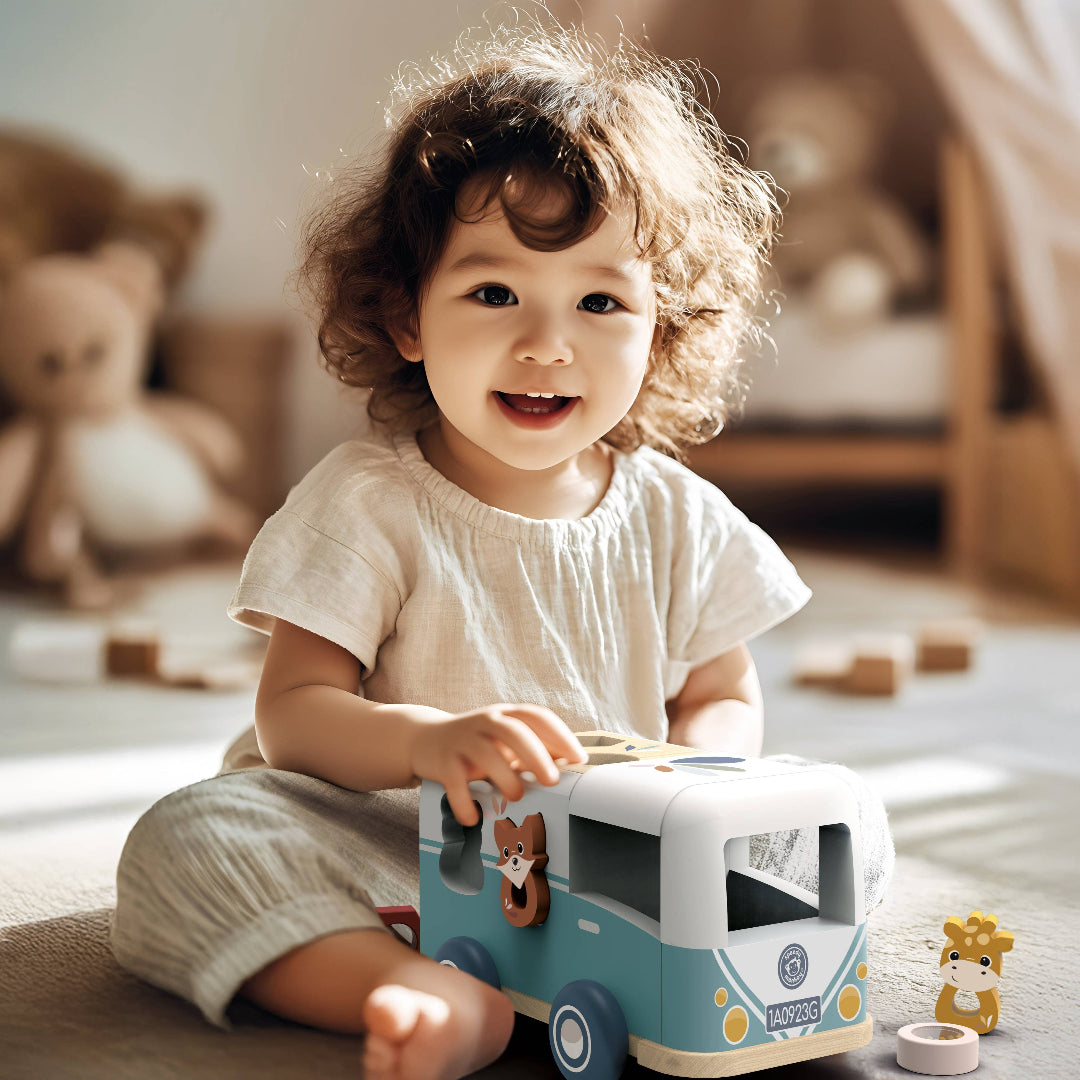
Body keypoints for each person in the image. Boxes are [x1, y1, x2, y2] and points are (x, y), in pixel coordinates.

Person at [111, 15, 893, 1080]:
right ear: (405, 317)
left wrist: (708, 781)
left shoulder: (675, 512)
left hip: (614, 863)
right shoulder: (369, 499)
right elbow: (291, 718)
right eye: (493, 293)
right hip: (398, 843)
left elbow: (721, 691)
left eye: (600, 300)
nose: (546, 342)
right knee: (190, 837)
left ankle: (669, 963)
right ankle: (418, 988)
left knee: (847, 821)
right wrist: (428, 744)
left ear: (660, 331)